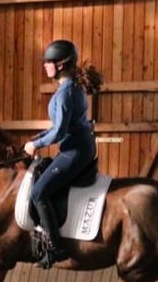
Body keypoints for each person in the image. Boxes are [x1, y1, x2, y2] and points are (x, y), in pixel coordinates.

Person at [24, 39, 103, 268]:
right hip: (77, 145)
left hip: (75, 150)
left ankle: (56, 248)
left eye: (48, 62)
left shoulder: (66, 92)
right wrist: (35, 140)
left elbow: (59, 132)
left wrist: (37, 146)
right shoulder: (68, 89)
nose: (44, 66)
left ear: (59, 65)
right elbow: (58, 126)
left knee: (39, 193)